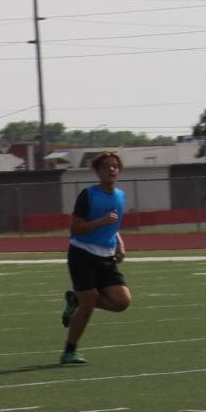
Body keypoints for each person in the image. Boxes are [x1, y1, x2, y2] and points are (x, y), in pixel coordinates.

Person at [60, 150, 131, 365]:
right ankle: (69, 352)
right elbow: (75, 227)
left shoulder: (121, 196)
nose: (111, 169)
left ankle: (75, 299)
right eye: (106, 166)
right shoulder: (88, 195)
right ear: (97, 172)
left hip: (106, 255)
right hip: (82, 253)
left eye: (114, 165)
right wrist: (100, 222)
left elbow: (114, 226)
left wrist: (120, 244)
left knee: (122, 302)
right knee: (88, 304)